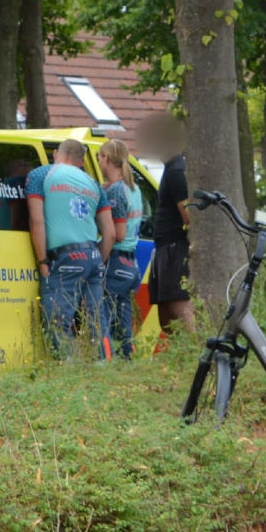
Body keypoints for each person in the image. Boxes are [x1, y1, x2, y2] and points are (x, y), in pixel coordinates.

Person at [27, 138, 112, 354]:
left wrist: (42, 261)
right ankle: (106, 369)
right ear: (81, 161)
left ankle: (69, 372)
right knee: (97, 323)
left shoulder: (40, 175)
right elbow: (110, 233)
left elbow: (36, 221)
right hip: (92, 254)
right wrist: (94, 261)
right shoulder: (94, 184)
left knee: (58, 322)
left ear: (56, 154)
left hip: (63, 257)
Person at [97, 138, 145, 359]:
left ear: (106, 158)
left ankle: (107, 360)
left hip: (116, 261)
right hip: (130, 263)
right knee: (124, 316)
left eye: (99, 157)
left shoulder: (116, 191)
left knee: (103, 314)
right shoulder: (132, 189)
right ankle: (128, 359)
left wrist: (100, 258)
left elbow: (118, 233)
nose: (98, 162)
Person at [146, 113, 194, 331]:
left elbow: (188, 215)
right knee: (164, 307)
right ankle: (178, 354)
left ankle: (198, 347)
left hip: (174, 247)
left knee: (177, 301)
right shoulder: (170, 168)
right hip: (164, 247)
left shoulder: (176, 171)